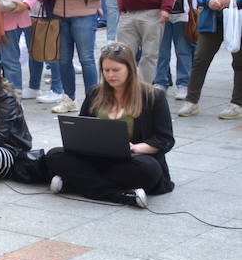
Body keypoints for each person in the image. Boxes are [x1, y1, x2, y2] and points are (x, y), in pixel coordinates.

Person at [45, 43, 175, 207]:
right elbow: (82, 127)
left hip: (131, 160)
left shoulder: (153, 96)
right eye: (106, 70)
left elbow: (165, 139)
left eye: (116, 70)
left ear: (130, 68)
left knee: (149, 170)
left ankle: (76, 183)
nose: (110, 75)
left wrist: (135, 148)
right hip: (95, 158)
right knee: (54, 155)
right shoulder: (95, 93)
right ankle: (120, 195)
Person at [41, 0, 111, 113]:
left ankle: (93, 101)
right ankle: (68, 98)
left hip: (84, 15)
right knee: (63, 60)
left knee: (86, 59)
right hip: (60, 15)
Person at [178, 0, 242, 119]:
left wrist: (233, 1)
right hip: (213, 19)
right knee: (200, 60)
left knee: (239, 64)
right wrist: (208, 0)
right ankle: (191, 101)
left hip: (238, 21)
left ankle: (237, 103)